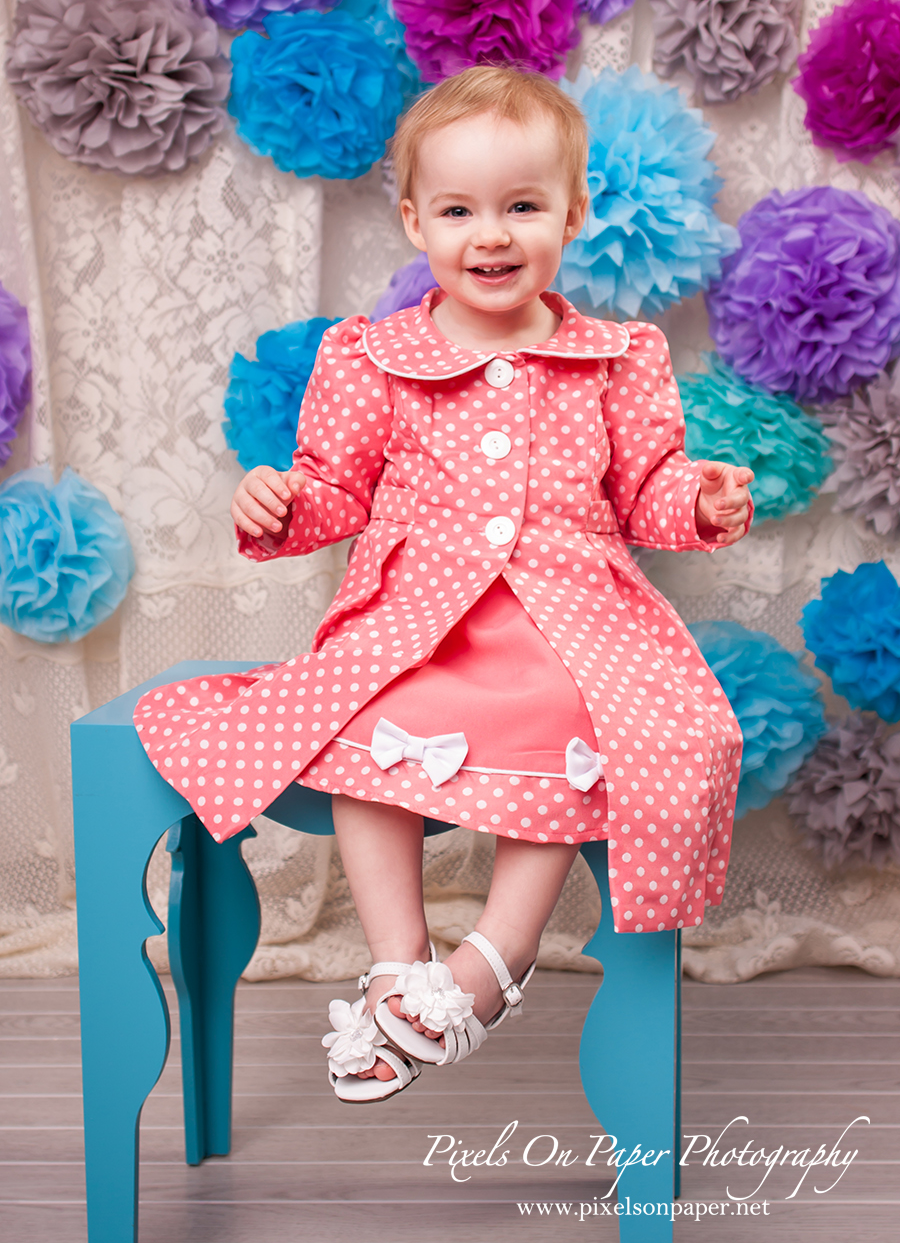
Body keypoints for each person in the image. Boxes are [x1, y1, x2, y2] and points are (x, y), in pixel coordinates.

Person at [135, 66, 753, 1105]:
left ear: (574, 212)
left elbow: (644, 491)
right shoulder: (374, 357)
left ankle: (489, 969)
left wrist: (699, 501)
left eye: (523, 206)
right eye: (461, 210)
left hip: (573, 616)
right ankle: (400, 965)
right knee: (359, 713)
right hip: (421, 618)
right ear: (417, 221)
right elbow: (337, 490)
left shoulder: (618, 358)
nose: (492, 234)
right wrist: (283, 505)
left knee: (589, 723)